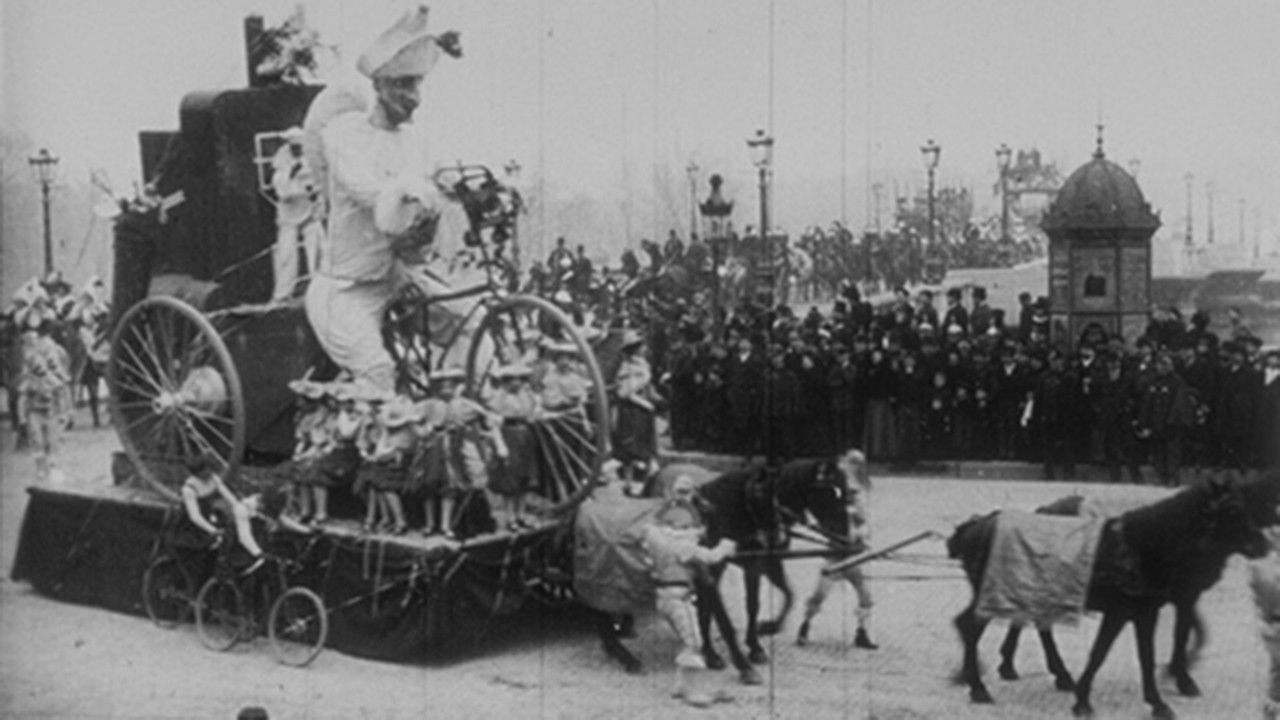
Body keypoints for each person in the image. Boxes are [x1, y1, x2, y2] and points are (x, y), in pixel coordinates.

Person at [303, 5, 461, 391]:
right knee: (377, 373)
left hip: (400, 280)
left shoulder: (416, 142)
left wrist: (461, 194)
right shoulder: (344, 136)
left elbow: (443, 181)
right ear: (380, 87)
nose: (414, 97)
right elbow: (370, 192)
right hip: (346, 292)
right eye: (404, 85)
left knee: (472, 327)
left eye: (417, 84)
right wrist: (415, 191)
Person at [640, 475, 736, 708]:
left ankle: (681, 685)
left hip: (664, 597)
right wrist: (725, 546)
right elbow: (710, 556)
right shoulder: (683, 546)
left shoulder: (656, 536)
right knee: (695, 642)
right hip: (678, 597)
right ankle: (696, 692)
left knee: (686, 640)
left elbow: (656, 531)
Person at [796, 449, 877, 649]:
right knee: (819, 595)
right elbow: (822, 523)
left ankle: (862, 633)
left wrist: (863, 537)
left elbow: (864, 527)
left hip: (852, 559)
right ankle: (805, 626)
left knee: (866, 597)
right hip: (834, 559)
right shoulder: (832, 508)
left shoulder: (857, 509)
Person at [180, 453, 267, 574]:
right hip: (194, 526)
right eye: (205, 471)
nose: (209, 473)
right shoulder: (188, 489)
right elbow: (194, 516)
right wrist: (212, 530)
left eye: (209, 469)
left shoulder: (213, 478)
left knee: (231, 533)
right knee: (213, 543)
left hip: (210, 516)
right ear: (198, 473)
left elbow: (228, 497)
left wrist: (240, 508)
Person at [270, 126, 323, 302]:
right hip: (289, 217)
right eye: (294, 146)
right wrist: (292, 174)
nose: (297, 149)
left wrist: (315, 193)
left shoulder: (309, 160)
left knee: (318, 249)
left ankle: (319, 287)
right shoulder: (282, 162)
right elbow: (282, 192)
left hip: (309, 212)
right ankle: (282, 294)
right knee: (286, 254)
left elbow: (317, 185)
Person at [16, 323, 70, 483]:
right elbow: (22, 398)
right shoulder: (29, 382)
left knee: (52, 441)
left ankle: (53, 468)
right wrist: (22, 418)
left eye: (41, 364)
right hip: (35, 413)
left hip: (51, 412)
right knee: (37, 440)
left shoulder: (52, 380)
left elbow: (61, 394)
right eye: (35, 365)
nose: (39, 367)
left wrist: (64, 413)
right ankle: (40, 468)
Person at [613, 330, 657, 496]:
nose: (644, 348)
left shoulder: (643, 365)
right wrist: (645, 404)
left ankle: (646, 483)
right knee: (630, 449)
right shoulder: (627, 368)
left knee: (647, 446)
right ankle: (629, 483)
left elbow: (647, 387)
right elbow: (625, 393)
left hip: (644, 411)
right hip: (633, 411)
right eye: (640, 346)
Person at [1250, 526, 1280, 720]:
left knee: (1276, 674)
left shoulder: (1261, 570)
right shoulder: (1265, 573)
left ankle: (1269, 712)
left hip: (1271, 630)